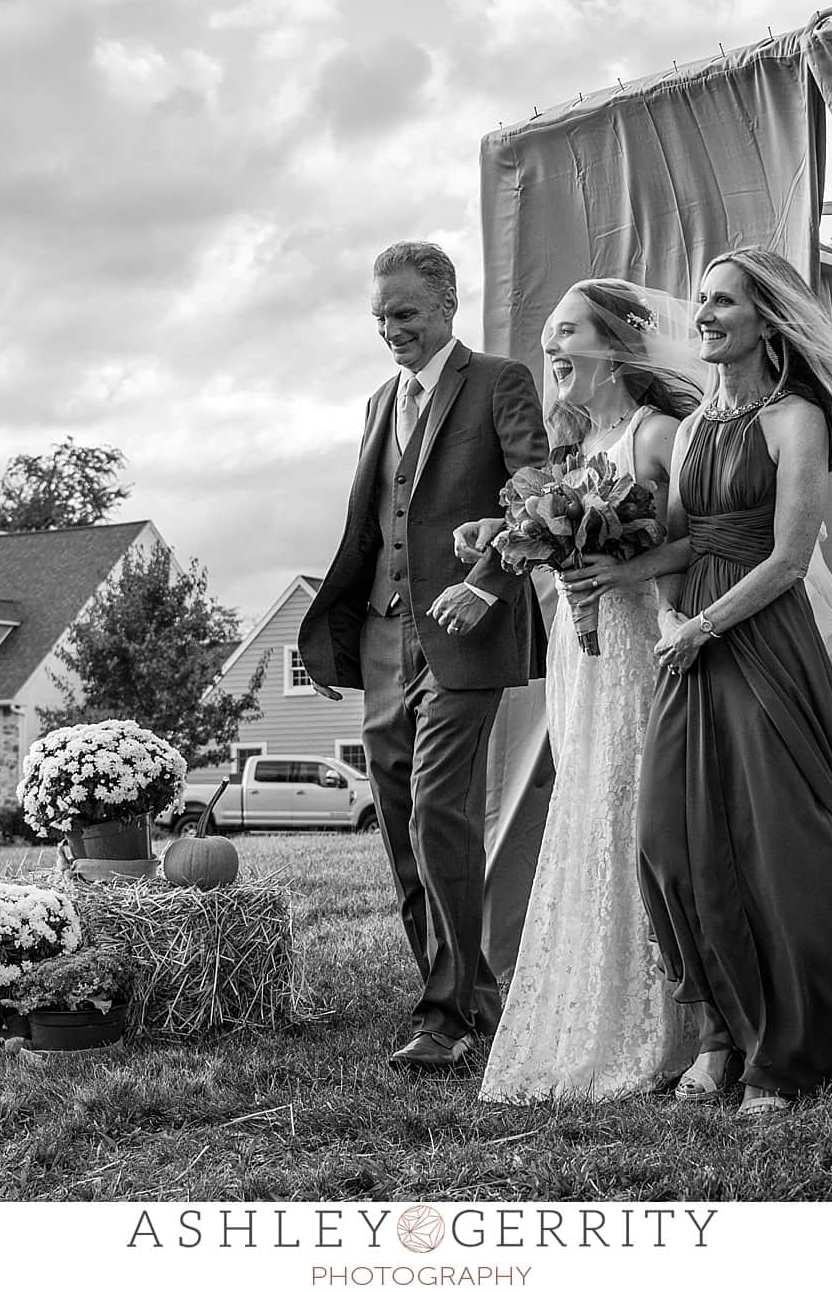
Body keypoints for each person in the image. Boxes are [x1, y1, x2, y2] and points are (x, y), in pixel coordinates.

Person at [566, 247, 832, 1118]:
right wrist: (654, 605)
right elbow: (684, 540)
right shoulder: (693, 426)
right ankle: (718, 1033)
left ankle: (789, 1048)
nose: (703, 314)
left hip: (759, 636)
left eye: (723, 301)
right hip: (687, 636)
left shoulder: (795, 418)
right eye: (700, 299)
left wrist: (701, 623)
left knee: (781, 842)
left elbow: (788, 555)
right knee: (671, 836)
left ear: (768, 318)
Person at [298, 240, 547, 1074]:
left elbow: (537, 495)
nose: (391, 329)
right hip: (381, 636)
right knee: (402, 825)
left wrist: (485, 583)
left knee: (440, 811)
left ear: (445, 303)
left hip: (464, 631)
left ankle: (445, 1016)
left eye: (404, 313)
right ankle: (466, 1002)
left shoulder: (499, 382)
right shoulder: (378, 402)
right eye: (379, 316)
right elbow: (374, 524)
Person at [455, 278, 707, 1103]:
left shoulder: (661, 433)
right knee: (585, 807)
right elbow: (555, 536)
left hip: (638, 640)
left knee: (634, 810)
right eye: (549, 336)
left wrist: (623, 566)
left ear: (616, 342)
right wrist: (502, 534)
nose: (552, 350)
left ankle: (673, 1021)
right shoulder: (567, 452)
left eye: (567, 333)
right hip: (577, 646)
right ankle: (585, 1009)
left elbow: (707, 542)